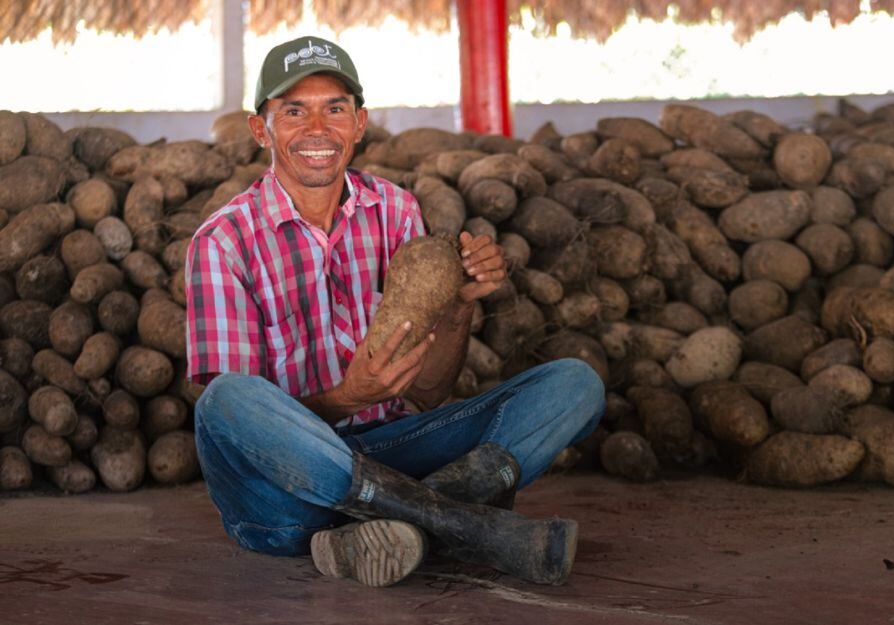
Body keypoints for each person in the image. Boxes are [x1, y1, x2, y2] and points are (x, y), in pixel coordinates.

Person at [185, 36, 604, 587]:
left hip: (392, 452)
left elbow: (428, 395)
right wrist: (348, 398)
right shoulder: (223, 242)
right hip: (287, 490)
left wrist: (456, 306)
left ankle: (387, 526)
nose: (317, 128)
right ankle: (458, 521)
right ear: (260, 129)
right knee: (225, 399)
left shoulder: (396, 210)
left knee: (575, 384)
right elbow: (243, 429)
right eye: (293, 111)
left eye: (334, 108)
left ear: (359, 123)